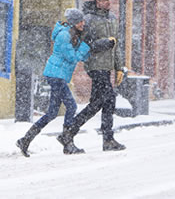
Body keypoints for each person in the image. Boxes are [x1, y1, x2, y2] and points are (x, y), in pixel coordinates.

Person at [16, 8, 113, 156]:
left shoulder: (72, 35)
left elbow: (82, 56)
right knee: (72, 106)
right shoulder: (63, 36)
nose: (83, 23)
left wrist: (94, 46)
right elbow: (73, 57)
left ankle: (26, 139)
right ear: (73, 23)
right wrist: (86, 46)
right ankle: (67, 141)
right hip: (56, 75)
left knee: (52, 112)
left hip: (58, 75)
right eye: (80, 21)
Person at [58, 0, 127, 152]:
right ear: (97, 0)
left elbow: (116, 45)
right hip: (95, 66)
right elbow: (83, 45)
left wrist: (119, 67)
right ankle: (107, 138)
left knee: (99, 103)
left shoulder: (112, 18)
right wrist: (102, 44)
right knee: (109, 97)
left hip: (107, 66)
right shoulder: (88, 20)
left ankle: (70, 132)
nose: (108, 2)